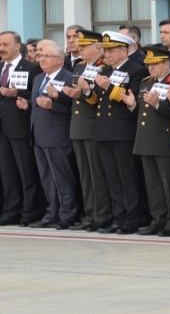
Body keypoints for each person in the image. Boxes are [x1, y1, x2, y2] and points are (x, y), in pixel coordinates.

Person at [80, 31, 149, 234]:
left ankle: (133, 216)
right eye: (106, 50)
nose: (107, 54)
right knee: (112, 178)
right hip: (104, 130)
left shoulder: (136, 70)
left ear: (123, 50)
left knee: (127, 177)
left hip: (123, 131)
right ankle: (118, 216)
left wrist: (109, 87)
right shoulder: (106, 70)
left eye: (111, 50)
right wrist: (86, 91)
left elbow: (132, 99)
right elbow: (96, 101)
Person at [0, 31, 44, 227]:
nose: (1, 48)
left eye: (5, 44)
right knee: (7, 173)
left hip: (20, 125)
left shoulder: (31, 68)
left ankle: (30, 210)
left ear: (17, 46)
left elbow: (35, 94)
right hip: (0, 127)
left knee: (26, 171)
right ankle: (11, 210)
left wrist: (18, 93)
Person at [125, 45, 170, 237]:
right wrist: (133, 105)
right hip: (146, 138)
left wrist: (158, 103)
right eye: (148, 64)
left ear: (166, 63)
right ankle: (158, 219)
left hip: (164, 138)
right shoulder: (145, 82)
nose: (150, 68)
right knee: (153, 185)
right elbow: (142, 112)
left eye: (155, 64)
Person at [20, 41, 78, 229]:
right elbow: (38, 104)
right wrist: (28, 106)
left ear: (60, 60)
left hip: (58, 135)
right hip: (38, 135)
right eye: (41, 56)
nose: (42, 59)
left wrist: (53, 105)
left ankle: (67, 214)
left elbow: (73, 109)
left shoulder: (69, 78)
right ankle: (52, 212)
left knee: (62, 177)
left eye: (46, 56)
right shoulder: (38, 78)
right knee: (47, 177)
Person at [62, 29, 112, 231]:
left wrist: (82, 92)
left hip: (93, 124)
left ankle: (102, 214)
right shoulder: (81, 66)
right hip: (78, 125)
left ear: (97, 47)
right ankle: (90, 214)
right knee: (85, 174)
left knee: (96, 174)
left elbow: (98, 98)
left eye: (84, 46)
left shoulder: (104, 67)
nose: (79, 48)